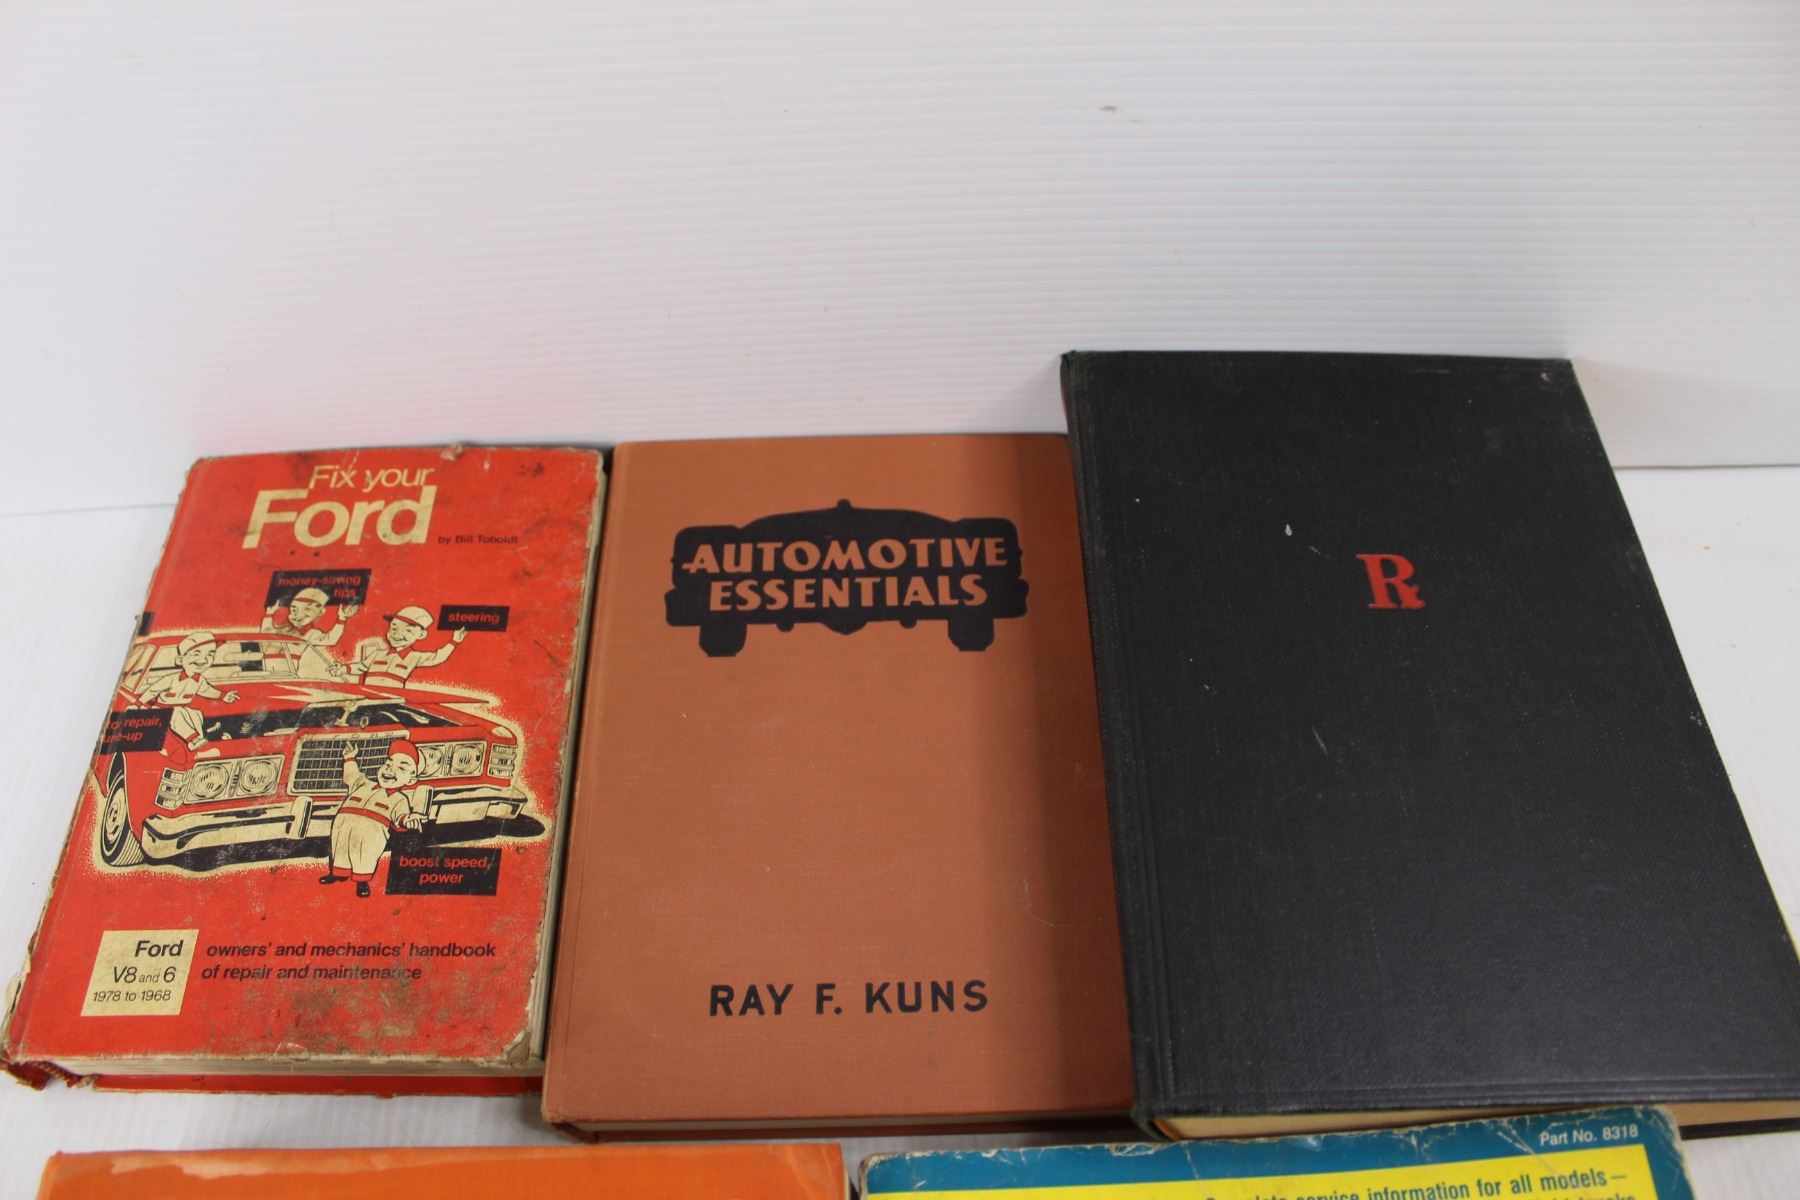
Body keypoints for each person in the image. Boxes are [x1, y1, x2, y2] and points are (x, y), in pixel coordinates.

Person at [321, 739, 428, 898]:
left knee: (364, 856)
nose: (390, 769)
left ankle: (362, 882)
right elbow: (351, 775)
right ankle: (338, 873)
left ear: (411, 779)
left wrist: (408, 820)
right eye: (388, 764)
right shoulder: (363, 783)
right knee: (340, 849)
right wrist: (349, 758)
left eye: (401, 768)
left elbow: (400, 817)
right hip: (343, 825)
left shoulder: (400, 799)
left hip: (371, 833)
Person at [140, 632, 239, 767]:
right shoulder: (171, 679)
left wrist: (223, 696)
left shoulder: (199, 681)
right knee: (176, 714)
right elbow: (152, 690)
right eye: (196, 653)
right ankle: (192, 740)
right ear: (180, 660)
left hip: (181, 708)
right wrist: (139, 704)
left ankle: (199, 747)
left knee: (195, 714)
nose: (203, 659)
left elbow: (208, 691)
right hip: (161, 709)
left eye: (210, 654)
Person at [351, 605, 465, 688]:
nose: (397, 634)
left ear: (421, 635)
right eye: (394, 628)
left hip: (390, 702)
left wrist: (454, 641)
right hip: (366, 699)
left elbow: (438, 657)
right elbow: (360, 667)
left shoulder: (414, 657)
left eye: (408, 630)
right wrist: (342, 669)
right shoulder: (377, 653)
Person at [262, 587, 357, 679]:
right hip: (264, 669)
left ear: (320, 612)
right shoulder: (282, 629)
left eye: (307, 609)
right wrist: (269, 614)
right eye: (294, 609)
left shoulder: (312, 634)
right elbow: (266, 633)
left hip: (286, 671)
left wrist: (341, 619)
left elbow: (331, 639)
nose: (297, 614)